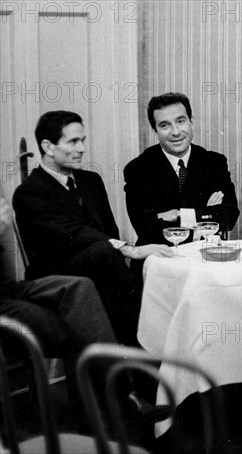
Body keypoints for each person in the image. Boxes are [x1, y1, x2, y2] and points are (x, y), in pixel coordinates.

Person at [12, 111, 173, 347]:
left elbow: (110, 232)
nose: (81, 149)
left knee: (130, 264)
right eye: (73, 141)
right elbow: (74, 232)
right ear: (48, 146)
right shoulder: (30, 191)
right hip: (58, 279)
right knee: (106, 254)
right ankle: (140, 354)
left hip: (102, 267)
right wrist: (130, 250)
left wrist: (125, 251)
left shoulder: (91, 181)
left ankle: (145, 352)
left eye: (83, 141)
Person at [0, 197, 167, 424]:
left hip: (11, 288)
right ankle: (124, 395)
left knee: (81, 286)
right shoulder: (32, 192)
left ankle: (123, 395)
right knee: (78, 320)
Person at [124, 92, 240, 245]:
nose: (176, 132)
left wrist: (177, 215)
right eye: (164, 125)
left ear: (191, 122)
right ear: (155, 131)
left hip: (206, 257)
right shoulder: (138, 169)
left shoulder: (213, 162)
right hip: (161, 260)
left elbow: (228, 216)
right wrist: (203, 218)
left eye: (180, 121)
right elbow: (146, 229)